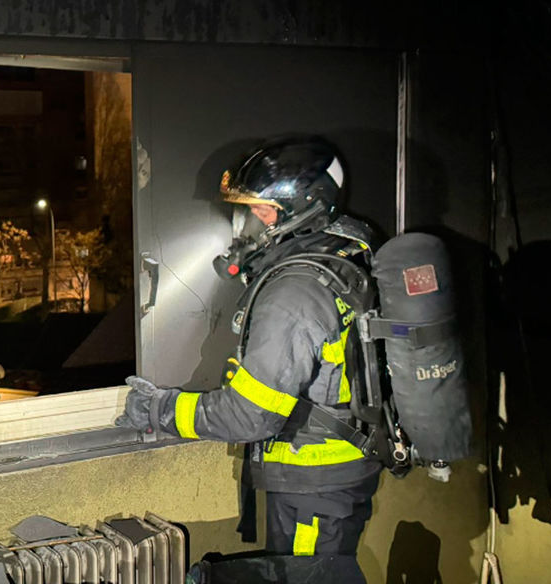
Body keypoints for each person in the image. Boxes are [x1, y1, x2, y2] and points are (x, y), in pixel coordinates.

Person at [118, 136, 383, 561]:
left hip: (312, 484)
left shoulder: (293, 294)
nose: (248, 222)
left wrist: (158, 410)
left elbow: (248, 415)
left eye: (262, 210)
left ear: (303, 208)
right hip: (337, 471)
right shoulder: (343, 252)